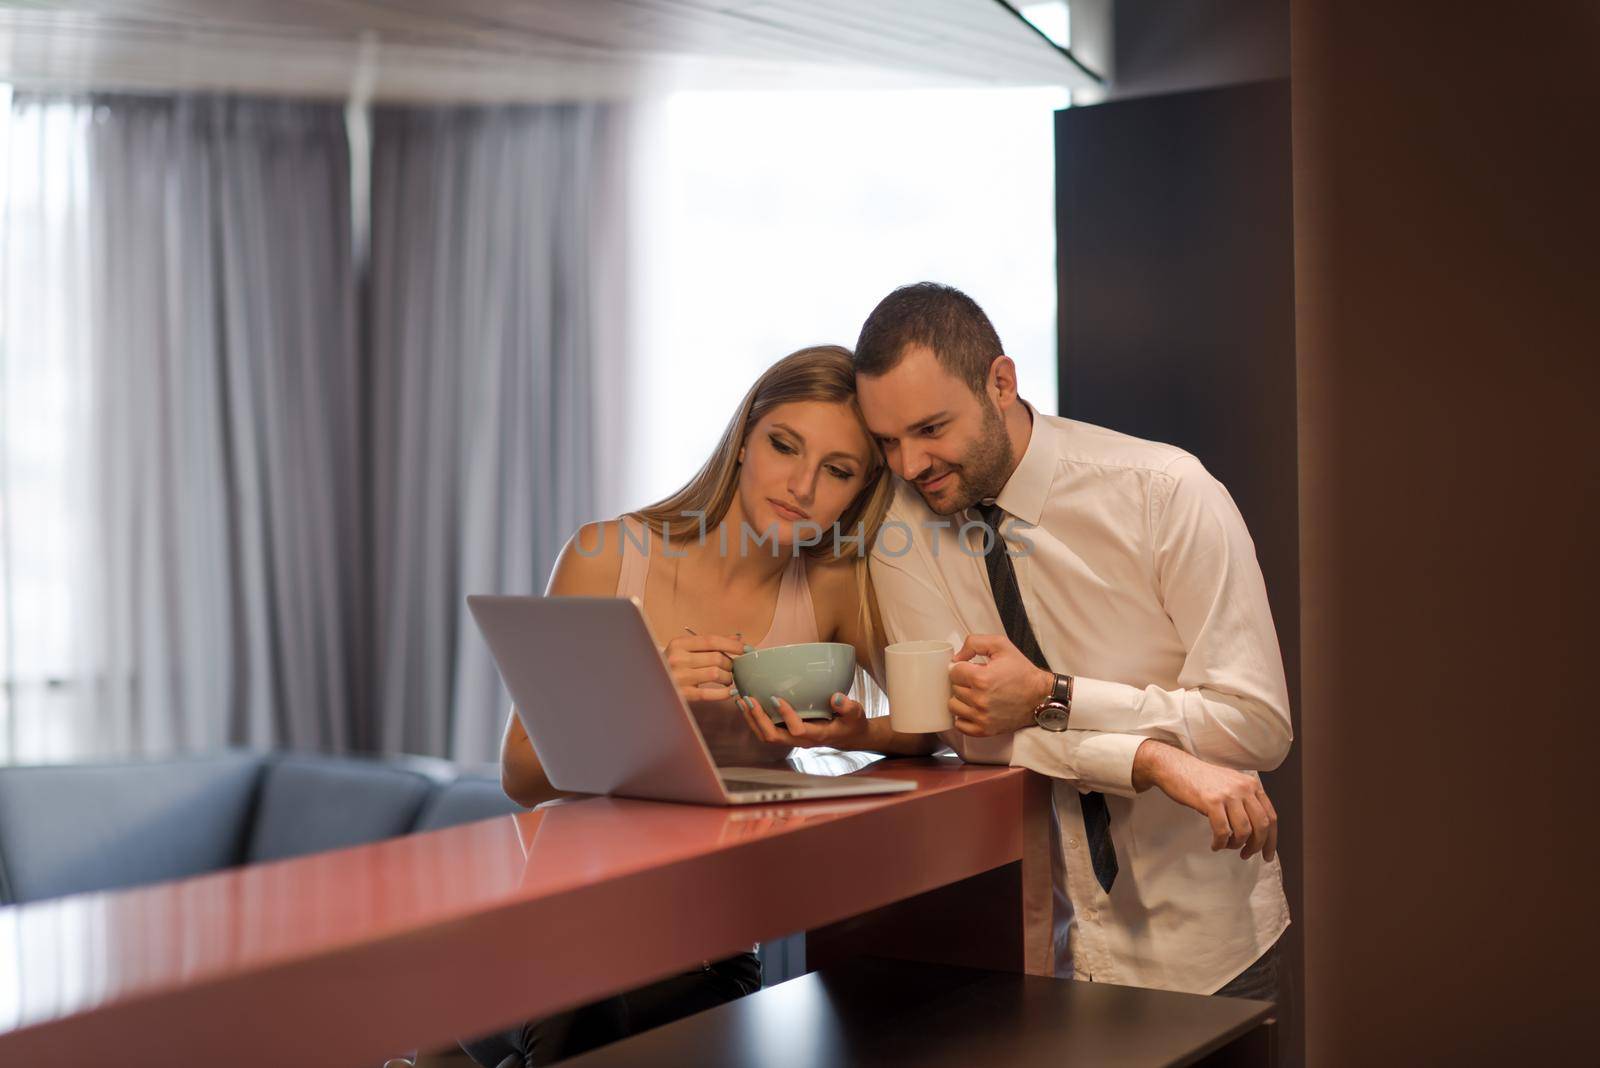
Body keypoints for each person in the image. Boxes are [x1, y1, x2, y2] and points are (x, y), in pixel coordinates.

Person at [748, 283, 1293, 1004]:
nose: (909, 465)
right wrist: (1149, 758)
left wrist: (1052, 697)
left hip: (1212, 949)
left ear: (1000, 382)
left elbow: (1257, 726)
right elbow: (970, 733)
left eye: (930, 428)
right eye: (888, 442)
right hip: (1051, 952)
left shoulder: (1167, 493)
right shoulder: (903, 539)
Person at [469, 345, 938, 1068]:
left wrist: (857, 728)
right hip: (562, 921)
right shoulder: (607, 556)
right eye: (785, 446)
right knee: (580, 1022)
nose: (802, 484)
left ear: (860, 490)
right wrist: (646, 695)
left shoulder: (835, 589)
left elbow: (926, 723)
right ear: (745, 436)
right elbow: (522, 774)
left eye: (838, 470)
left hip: (706, 948)